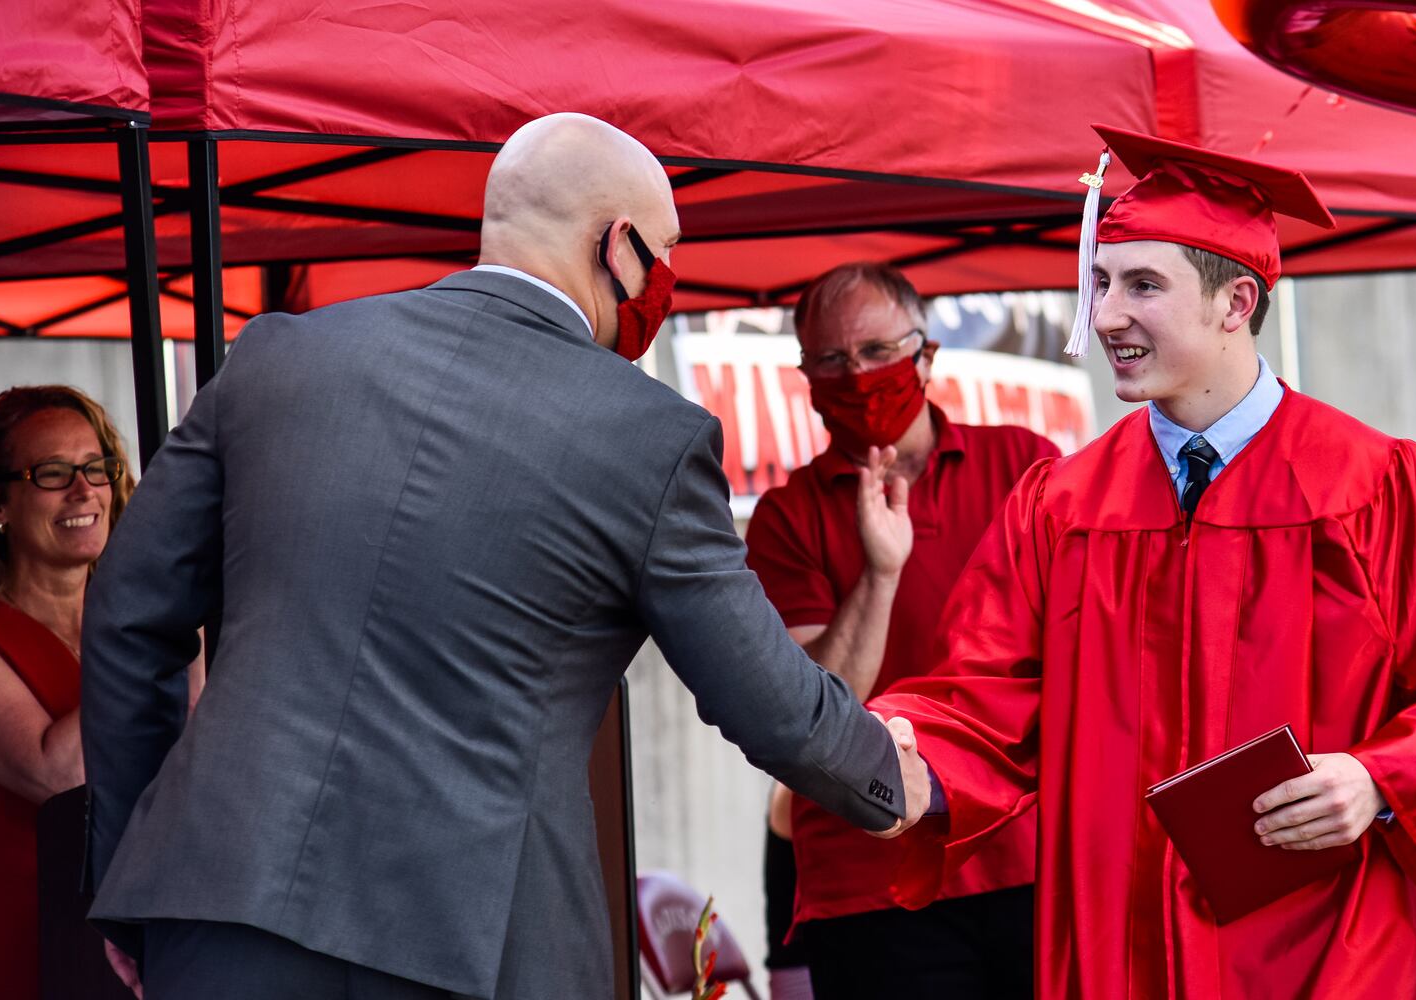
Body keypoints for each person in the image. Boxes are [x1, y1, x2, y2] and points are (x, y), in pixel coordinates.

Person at [78, 112, 928, 1000]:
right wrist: (889, 779)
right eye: (667, 255)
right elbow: (767, 698)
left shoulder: (278, 356)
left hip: (215, 910)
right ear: (619, 244)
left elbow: (128, 612)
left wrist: (130, 875)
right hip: (470, 942)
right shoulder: (645, 433)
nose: (666, 283)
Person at [870, 125, 1416, 998]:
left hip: (1330, 942)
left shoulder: (1377, 488)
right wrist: (906, 750)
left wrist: (1379, 776)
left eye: (1142, 285)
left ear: (1237, 302)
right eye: (1101, 282)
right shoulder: (1063, 508)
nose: (1105, 315)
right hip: (1124, 943)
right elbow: (983, 696)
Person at [747, 263, 1055, 999]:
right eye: (831, 359)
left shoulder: (1027, 466)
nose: (857, 376)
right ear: (806, 375)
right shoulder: (787, 519)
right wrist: (881, 574)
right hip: (869, 884)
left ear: (926, 355)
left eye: (878, 352)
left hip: (1033, 857)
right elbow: (816, 712)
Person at [0, 385, 135, 999]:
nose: (84, 490)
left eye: (96, 468)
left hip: (144, 927)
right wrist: (148, 637)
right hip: (30, 943)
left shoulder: (137, 621)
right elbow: (60, 777)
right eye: (53, 473)